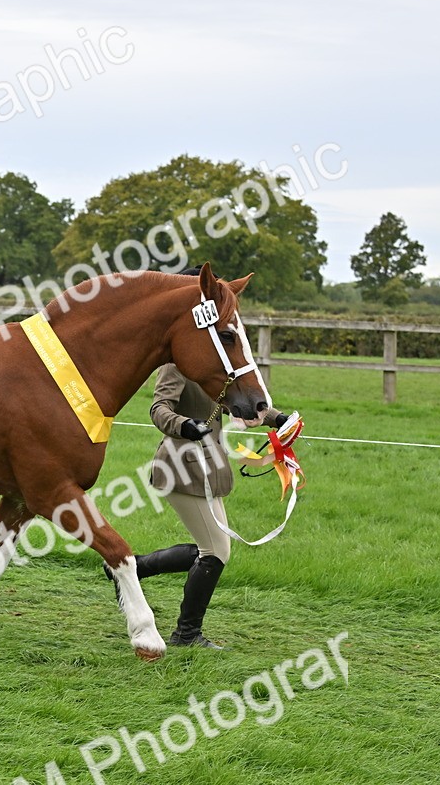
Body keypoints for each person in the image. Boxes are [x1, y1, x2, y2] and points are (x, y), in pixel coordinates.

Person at [106, 267, 291, 650]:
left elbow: (238, 406)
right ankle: (186, 634)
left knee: (212, 548)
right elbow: (158, 408)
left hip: (209, 468)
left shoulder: (216, 362)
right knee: (216, 550)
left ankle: (133, 568)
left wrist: (278, 419)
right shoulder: (180, 360)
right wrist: (184, 425)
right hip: (181, 466)